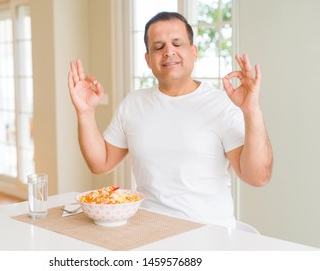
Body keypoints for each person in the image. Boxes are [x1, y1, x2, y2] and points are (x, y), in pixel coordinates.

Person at [67, 12, 273, 228]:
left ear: (194, 52)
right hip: (146, 231)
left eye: (177, 43)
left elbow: (257, 177)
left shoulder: (221, 105)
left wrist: (252, 111)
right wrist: (85, 113)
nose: (168, 52)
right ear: (148, 59)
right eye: (158, 47)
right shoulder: (133, 104)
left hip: (209, 234)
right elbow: (100, 163)